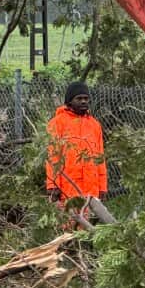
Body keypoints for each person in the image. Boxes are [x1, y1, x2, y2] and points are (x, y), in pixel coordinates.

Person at [45, 82, 107, 212]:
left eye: (86, 98)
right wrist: (53, 184)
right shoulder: (57, 123)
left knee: (88, 226)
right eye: (79, 99)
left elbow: (100, 158)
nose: (83, 101)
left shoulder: (95, 125)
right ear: (69, 101)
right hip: (68, 186)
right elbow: (53, 156)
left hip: (91, 187)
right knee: (69, 226)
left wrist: (103, 187)